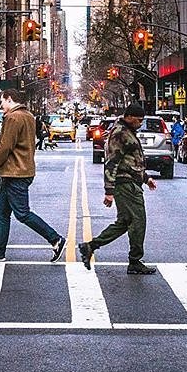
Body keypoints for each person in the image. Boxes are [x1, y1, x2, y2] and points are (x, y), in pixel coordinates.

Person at [0, 89, 66, 262]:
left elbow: (6, 148)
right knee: (1, 212)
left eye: (2, 101)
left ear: (9, 99)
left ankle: (55, 239)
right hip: (21, 170)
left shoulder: (13, 117)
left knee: (22, 213)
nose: (1, 105)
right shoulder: (28, 116)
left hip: (14, 172)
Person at [78, 103, 157, 275]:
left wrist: (146, 178)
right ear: (129, 117)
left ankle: (90, 246)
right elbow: (112, 162)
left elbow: (131, 161)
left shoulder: (127, 132)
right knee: (138, 221)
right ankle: (135, 261)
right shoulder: (120, 133)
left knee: (124, 223)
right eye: (138, 120)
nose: (140, 123)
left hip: (130, 182)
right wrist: (109, 191)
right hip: (125, 185)